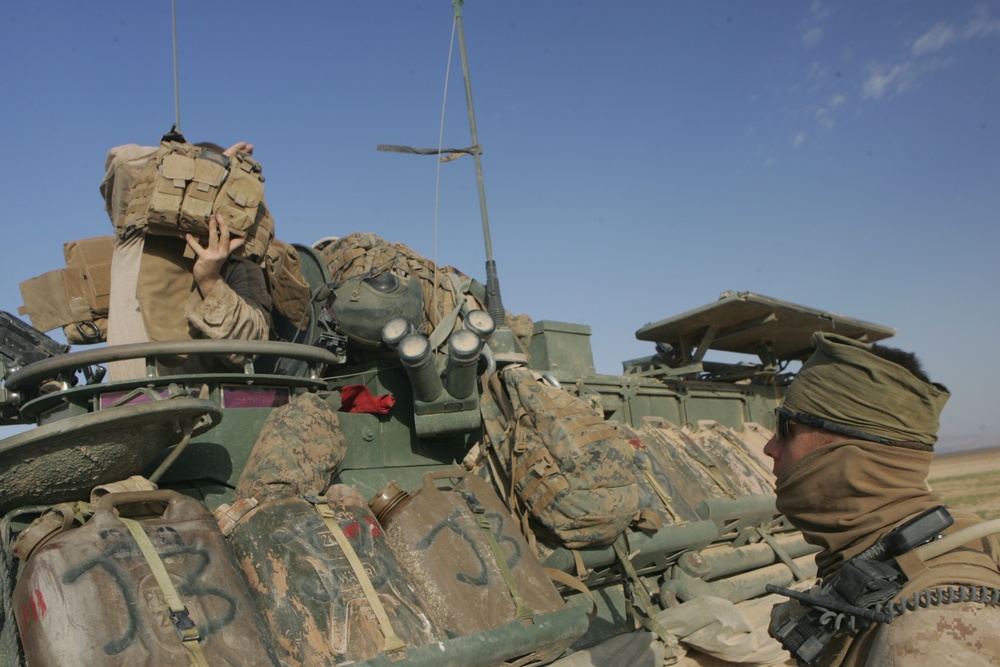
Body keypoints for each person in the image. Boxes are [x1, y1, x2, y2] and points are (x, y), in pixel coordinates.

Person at [764, 332, 1000, 665]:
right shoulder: (946, 538)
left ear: (844, 451)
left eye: (784, 427)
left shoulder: (930, 636)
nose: (770, 447)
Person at [101, 141, 271, 379]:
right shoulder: (134, 233)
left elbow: (252, 346)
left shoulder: (237, 261)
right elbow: (122, 161)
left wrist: (210, 281)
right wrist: (213, 161)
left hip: (196, 407)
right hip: (126, 404)